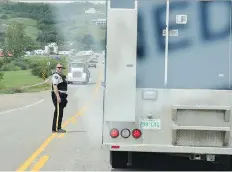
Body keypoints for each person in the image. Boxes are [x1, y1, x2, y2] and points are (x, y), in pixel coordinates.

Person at [51, 63, 68, 133]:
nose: (60, 69)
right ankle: (57, 128)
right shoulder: (56, 76)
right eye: (58, 67)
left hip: (62, 95)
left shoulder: (61, 76)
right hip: (58, 95)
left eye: (61, 68)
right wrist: (58, 96)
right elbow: (55, 86)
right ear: (56, 68)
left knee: (60, 112)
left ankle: (56, 128)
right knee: (58, 112)